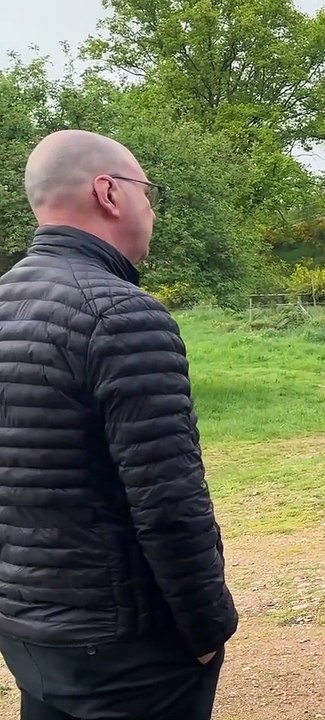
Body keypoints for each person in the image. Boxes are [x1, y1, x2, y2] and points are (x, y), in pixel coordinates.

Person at [0, 129, 237, 719]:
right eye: (147, 191)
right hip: (126, 645)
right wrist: (208, 627)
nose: (151, 209)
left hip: (29, 629)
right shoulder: (122, 313)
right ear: (108, 192)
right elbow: (169, 501)